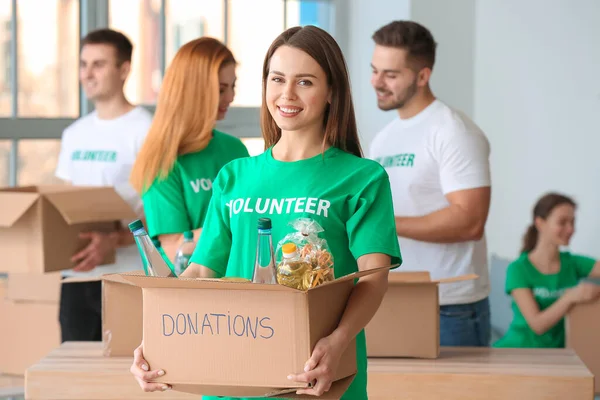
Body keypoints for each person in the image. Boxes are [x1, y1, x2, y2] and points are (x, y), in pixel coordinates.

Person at [130, 25, 401, 399]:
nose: (286, 94)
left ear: (331, 92)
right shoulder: (235, 176)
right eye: (277, 79)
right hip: (232, 373)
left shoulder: (362, 178)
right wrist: (156, 339)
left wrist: (338, 341)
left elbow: (373, 278)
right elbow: (201, 271)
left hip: (313, 372)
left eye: (305, 82)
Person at [369, 20, 492, 347]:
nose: (376, 83)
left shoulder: (453, 131)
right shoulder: (383, 140)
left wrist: (384, 225)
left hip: (451, 306)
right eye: (374, 70)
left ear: (423, 76)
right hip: (394, 297)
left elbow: (470, 221)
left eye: (390, 75)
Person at [55, 28, 152, 342]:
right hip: (76, 277)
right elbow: (65, 205)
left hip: (127, 275)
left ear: (123, 70)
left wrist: (116, 240)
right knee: (76, 380)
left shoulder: (147, 130)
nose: (87, 73)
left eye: (98, 64)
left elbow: (165, 213)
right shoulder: (74, 134)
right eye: (84, 64)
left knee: (124, 381)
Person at [129, 37, 249, 260]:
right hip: (189, 290)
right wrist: (239, 226)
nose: (231, 97)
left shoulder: (235, 150)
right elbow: (175, 249)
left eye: (233, 87)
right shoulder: (163, 162)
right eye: (221, 89)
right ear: (194, 90)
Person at [493, 193, 600, 348]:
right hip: (518, 350)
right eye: (562, 222)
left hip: (559, 354)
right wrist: (571, 297)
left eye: (572, 222)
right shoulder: (518, 269)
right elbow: (538, 325)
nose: (570, 229)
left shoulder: (573, 263)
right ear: (540, 223)